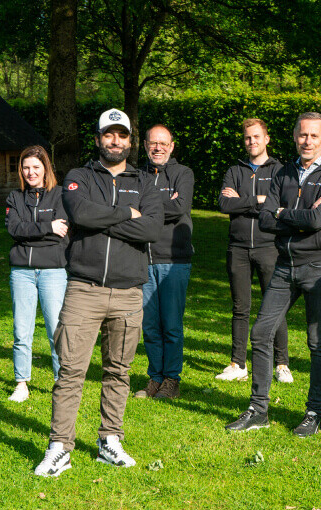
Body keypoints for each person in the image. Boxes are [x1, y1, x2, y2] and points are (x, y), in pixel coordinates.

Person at [34, 108, 162, 477]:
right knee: (70, 371)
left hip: (128, 293)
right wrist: (128, 214)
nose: (115, 141)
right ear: (97, 139)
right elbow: (81, 215)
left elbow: (152, 229)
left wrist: (105, 216)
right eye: (109, 134)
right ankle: (60, 446)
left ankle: (110, 440)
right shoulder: (79, 176)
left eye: (122, 135)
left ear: (130, 141)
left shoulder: (147, 183)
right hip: (84, 290)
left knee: (118, 371)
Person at [225, 112, 321, 438]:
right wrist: (296, 215)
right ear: (295, 137)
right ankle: (258, 410)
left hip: (318, 266)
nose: (307, 141)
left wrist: (284, 213)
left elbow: (319, 219)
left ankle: (314, 414)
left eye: (314, 135)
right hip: (284, 264)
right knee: (261, 332)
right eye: (302, 135)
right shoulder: (284, 172)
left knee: (316, 341)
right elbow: (266, 219)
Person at [216, 119, 291, 383]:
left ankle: (282, 364)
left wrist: (243, 201)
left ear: (267, 139)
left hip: (269, 246)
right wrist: (258, 200)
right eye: (248, 137)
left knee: (275, 307)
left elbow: (279, 206)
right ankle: (238, 363)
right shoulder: (235, 170)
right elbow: (224, 204)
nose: (252, 142)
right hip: (237, 248)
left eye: (257, 136)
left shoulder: (280, 170)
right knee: (240, 308)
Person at [134, 124, 194, 400]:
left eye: (163, 143)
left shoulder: (183, 173)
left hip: (173, 259)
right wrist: (161, 204)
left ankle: (171, 379)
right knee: (149, 326)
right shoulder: (137, 175)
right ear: (145, 145)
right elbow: (126, 207)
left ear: (171, 146)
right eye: (152, 143)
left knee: (170, 325)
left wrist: (144, 208)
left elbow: (180, 207)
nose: (157, 148)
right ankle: (155, 378)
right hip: (142, 259)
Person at [5, 145, 69, 402]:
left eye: (36, 167)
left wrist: (30, 230)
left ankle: (61, 382)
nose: (31, 172)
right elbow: (14, 229)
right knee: (22, 331)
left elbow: (61, 233)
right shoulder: (15, 197)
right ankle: (21, 383)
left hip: (53, 272)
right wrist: (47, 227)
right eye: (26, 167)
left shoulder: (61, 195)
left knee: (56, 329)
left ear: (46, 168)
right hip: (21, 272)